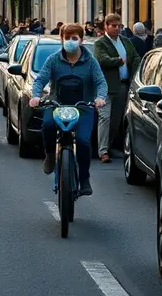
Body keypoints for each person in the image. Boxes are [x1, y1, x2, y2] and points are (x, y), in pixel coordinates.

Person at [29, 23, 108, 196]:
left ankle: (85, 178)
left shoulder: (90, 61)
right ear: (62, 40)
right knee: (48, 125)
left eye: (75, 38)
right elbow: (41, 79)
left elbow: (100, 82)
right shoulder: (53, 59)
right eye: (67, 38)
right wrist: (35, 96)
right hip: (57, 104)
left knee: (83, 141)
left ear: (81, 40)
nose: (71, 41)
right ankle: (50, 155)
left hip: (83, 107)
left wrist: (100, 98)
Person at [92, 13, 140, 163]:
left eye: (119, 26)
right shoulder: (100, 43)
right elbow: (102, 60)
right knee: (104, 118)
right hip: (106, 87)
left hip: (123, 85)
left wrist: (136, 69)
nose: (117, 29)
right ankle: (102, 151)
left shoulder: (126, 41)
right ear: (106, 26)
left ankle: (111, 146)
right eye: (114, 26)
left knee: (116, 120)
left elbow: (135, 57)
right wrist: (119, 61)